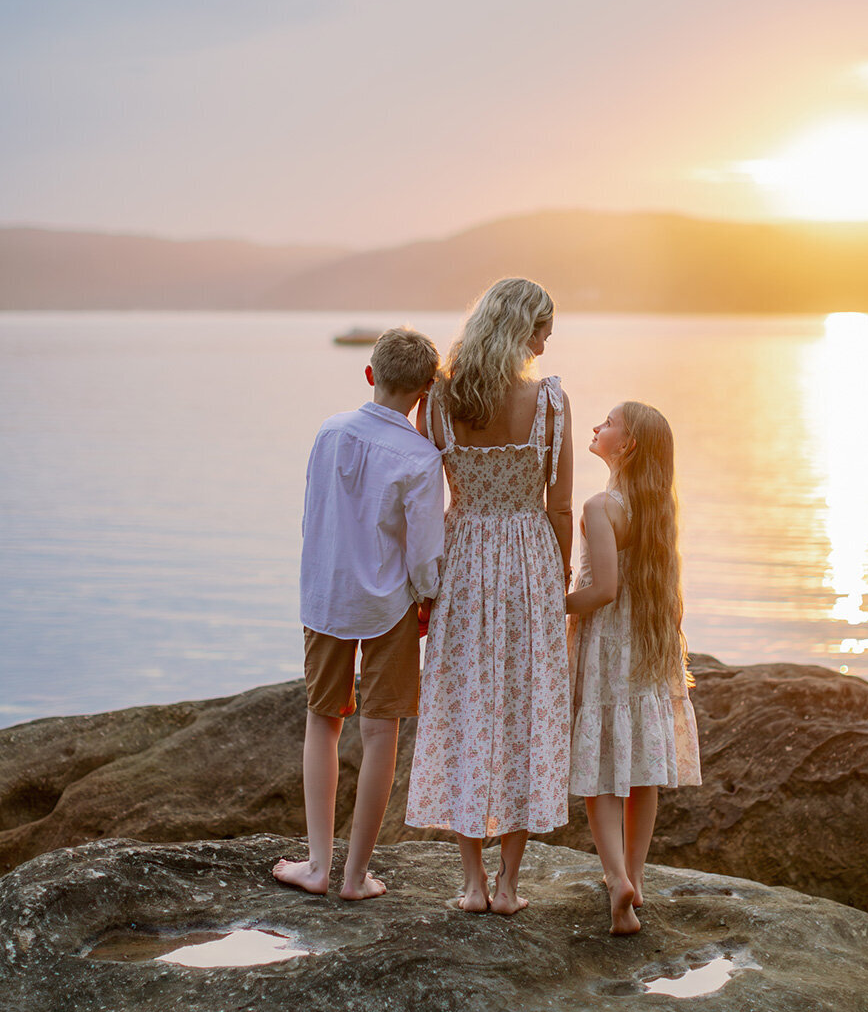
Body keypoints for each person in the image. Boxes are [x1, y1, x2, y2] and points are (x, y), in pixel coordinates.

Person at [405, 278, 573, 915]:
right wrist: (559, 580)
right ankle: (508, 887)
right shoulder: (550, 402)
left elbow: (425, 500)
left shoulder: (440, 401)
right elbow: (560, 507)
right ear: (520, 330)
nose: (544, 346)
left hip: (466, 561)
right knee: (526, 710)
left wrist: (423, 582)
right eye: (541, 333)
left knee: (466, 709)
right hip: (529, 562)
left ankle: (472, 883)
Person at [273, 328, 444, 900]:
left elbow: (313, 511)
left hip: (327, 593)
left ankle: (318, 866)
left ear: (370, 374)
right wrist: (428, 596)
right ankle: (354, 877)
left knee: (322, 721)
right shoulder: (422, 457)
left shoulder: (330, 431)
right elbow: (424, 553)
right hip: (390, 603)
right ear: (425, 390)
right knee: (380, 731)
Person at [566, 401, 701, 935]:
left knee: (599, 769)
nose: (596, 427)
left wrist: (551, 604)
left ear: (628, 444)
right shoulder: (655, 508)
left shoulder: (602, 506)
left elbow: (602, 590)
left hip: (606, 648)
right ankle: (636, 877)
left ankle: (615, 877)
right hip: (645, 645)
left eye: (608, 423)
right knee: (642, 766)